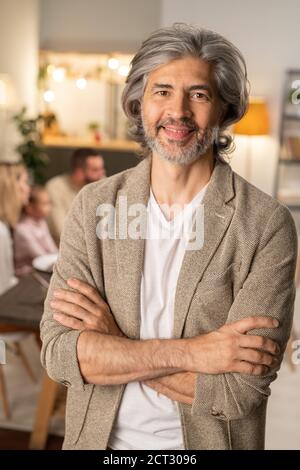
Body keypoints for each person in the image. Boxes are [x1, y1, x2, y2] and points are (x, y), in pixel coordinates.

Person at [40, 24, 297, 450]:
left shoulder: (266, 225)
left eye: (198, 94)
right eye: (162, 91)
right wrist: (196, 354)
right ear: (139, 103)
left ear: (223, 110)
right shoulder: (94, 206)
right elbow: (62, 355)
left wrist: (114, 346)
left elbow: (237, 393)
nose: (177, 111)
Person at [46, 148, 106, 244]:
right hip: (64, 251)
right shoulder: (55, 188)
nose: (102, 174)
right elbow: (61, 231)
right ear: (79, 173)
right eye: (95, 170)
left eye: (102, 168)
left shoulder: (101, 185)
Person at [0, 162, 30, 295]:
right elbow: (3, 287)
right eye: (25, 182)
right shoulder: (1, 232)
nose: (28, 188)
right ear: (11, 187)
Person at [14, 186, 58, 276]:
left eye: (49, 203)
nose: (49, 207)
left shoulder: (42, 222)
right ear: (29, 208)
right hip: (26, 275)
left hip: (42, 270)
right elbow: (40, 256)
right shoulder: (22, 229)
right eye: (45, 204)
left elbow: (51, 247)